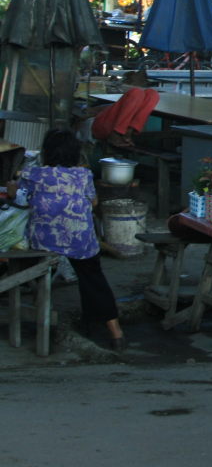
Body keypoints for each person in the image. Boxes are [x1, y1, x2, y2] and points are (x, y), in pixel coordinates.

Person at [5, 129, 126, 351]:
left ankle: (39, 309)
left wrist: (14, 188)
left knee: (35, 271)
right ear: (74, 153)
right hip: (80, 241)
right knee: (93, 279)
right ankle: (115, 333)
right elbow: (94, 203)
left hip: (44, 243)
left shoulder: (33, 175)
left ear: (47, 152)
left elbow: (16, 195)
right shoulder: (83, 175)